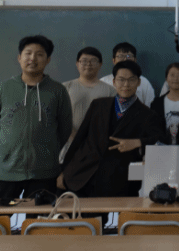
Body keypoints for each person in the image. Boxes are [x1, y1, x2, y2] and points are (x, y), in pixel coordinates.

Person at [59, 61, 164, 197]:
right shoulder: (98, 105)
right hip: (83, 176)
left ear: (138, 82)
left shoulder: (147, 115)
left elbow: (160, 139)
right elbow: (79, 139)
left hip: (119, 182)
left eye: (131, 80)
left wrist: (137, 142)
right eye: (121, 80)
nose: (126, 84)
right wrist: (64, 171)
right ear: (114, 82)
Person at [0, 35, 72, 199]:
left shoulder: (57, 91)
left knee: (40, 216)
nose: (33, 58)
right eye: (28, 53)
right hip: (5, 171)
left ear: (48, 60)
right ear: (19, 57)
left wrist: (47, 151)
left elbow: (64, 129)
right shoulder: (2, 89)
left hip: (44, 172)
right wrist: (6, 150)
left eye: (39, 54)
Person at [61, 47, 115, 161]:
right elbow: (59, 118)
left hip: (99, 147)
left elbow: (113, 120)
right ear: (77, 64)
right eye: (84, 61)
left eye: (93, 61)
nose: (88, 64)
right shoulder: (65, 88)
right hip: (69, 144)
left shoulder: (111, 91)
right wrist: (75, 139)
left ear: (100, 64)